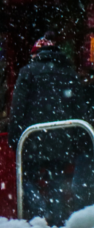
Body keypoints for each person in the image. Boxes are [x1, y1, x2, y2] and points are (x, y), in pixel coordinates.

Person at [10, 34, 94, 225]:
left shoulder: (28, 73)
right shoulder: (69, 73)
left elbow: (18, 109)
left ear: (36, 53)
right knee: (56, 180)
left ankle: (42, 213)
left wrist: (15, 139)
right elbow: (80, 108)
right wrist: (79, 140)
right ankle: (55, 219)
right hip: (62, 140)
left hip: (33, 138)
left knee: (25, 179)